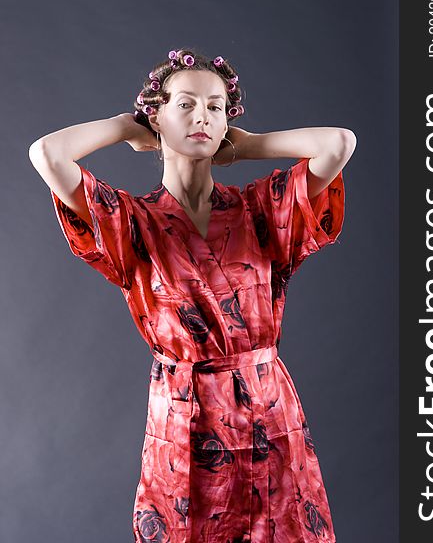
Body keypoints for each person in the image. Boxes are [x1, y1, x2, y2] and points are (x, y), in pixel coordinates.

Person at [29, 47, 356, 542]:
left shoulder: (261, 210)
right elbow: (47, 154)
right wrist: (125, 126)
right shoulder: (131, 222)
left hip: (267, 408)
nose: (202, 116)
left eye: (216, 106)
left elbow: (338, 143)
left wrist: (246, 146)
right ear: (156, 114)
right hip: (183, 413)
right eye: (185, 104)